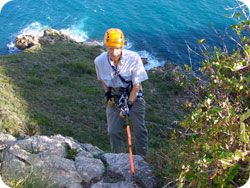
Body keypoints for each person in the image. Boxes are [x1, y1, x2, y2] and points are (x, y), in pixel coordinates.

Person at [94, 28, 148, 156]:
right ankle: (118, 157)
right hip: (115, 95)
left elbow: (136, 85)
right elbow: (102, 79)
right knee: (113, 131)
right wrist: (108, 94)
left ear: (122, 46)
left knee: (139, 130)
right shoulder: (99, 61)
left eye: (117, 48)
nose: (114, 52)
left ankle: (142, 158)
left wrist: (128, 105)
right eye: (110, 48)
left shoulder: (133, 58)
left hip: (133, 96)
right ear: (106, 47)